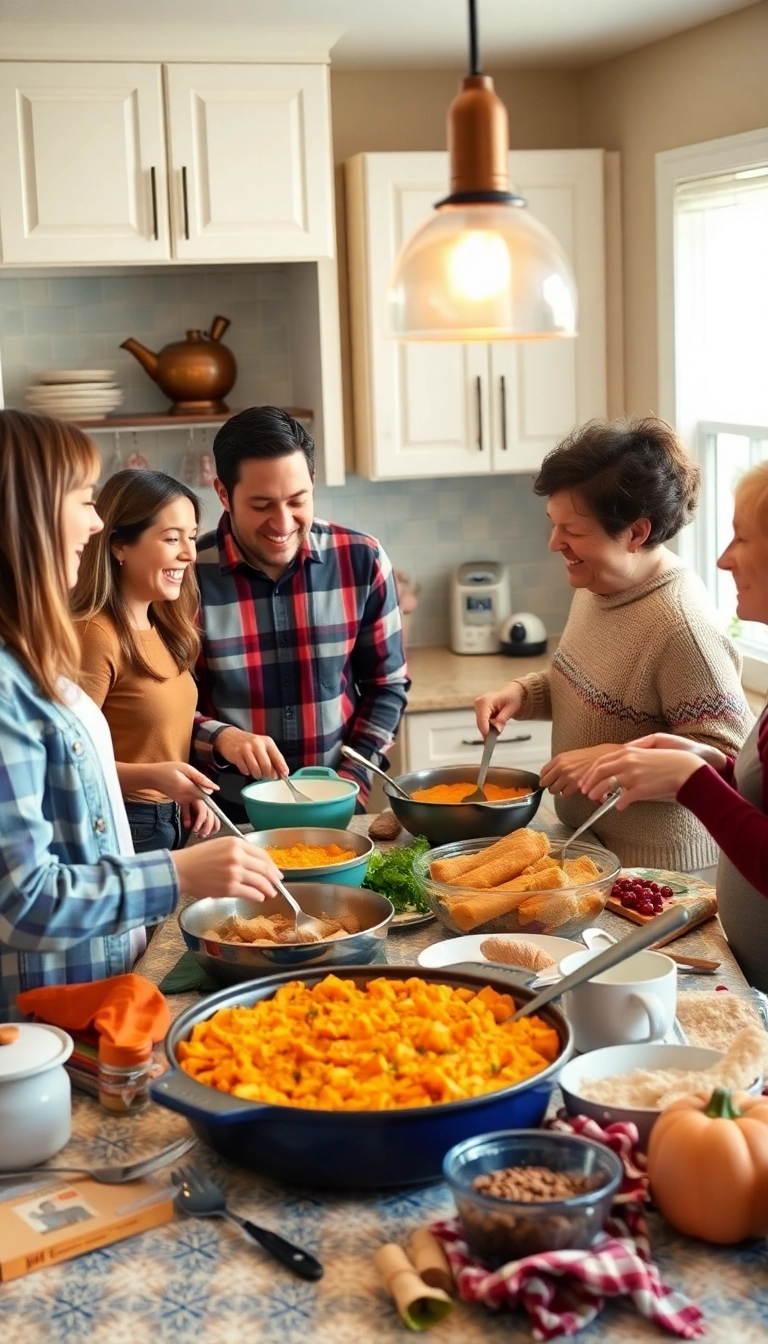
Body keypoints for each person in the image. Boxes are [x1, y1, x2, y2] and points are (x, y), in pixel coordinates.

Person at [0, 410, 281, 1014]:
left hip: (92, 979)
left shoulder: (30, 662)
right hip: (46, 1010)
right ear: (29, 517)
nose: (96, 521)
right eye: (82, 498)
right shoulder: (10, 686)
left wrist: (169, 775)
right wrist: (179, 872)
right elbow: (23, 899)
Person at [474, 417, 753, 871]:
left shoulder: (684, 630)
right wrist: (524, 694)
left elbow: (733, 767)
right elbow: (587, 684)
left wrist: (615, 758)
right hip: (594, 850)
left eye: (574, 532)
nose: (553, 543)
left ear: (636, 533)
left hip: (662, 871)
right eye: (553, 524)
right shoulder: (596, 584)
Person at [579, 461, 768, 991]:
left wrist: (692, 781)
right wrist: (717, 768)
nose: (723, 558)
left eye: (742, 538)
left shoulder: (683, 624)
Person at [193, 406, 410, 820]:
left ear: (312, 482)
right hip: (224, 815)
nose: (282, 522)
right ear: (223, 493)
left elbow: (387, 687)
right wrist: (221, 737)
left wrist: (354, 781)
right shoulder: (185, 576)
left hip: (340, 803)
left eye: (297, 500)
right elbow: (161, 705)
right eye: (261, 505)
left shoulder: (361, 559)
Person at [71, 469, 220, 853]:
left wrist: (182, 791)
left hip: (168, 819)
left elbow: (153, 738)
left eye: (190, 536)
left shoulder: (163, 625)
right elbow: (67, 766)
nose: (189, 552)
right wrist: (155, 778)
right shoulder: (95, 635)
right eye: (172, 539)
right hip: (122, 822)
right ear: (120, 546)